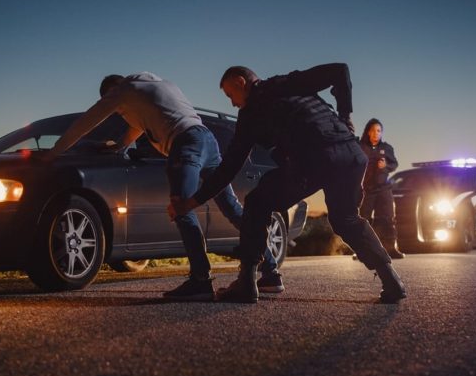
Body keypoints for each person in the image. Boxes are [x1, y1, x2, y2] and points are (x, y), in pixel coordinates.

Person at [169, 64, 407, 304]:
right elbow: (341, 72)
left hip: (316, 156)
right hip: (351, 154)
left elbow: (229, 168)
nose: (232, 103)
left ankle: (247, 281)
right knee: (346, 219)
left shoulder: (252, 110)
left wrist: (191, 202)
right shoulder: (290, 83)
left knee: (257, 202)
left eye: (230, 95)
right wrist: (345, 118)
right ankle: (391, 279)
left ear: (241, 82)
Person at [48, 72, 281, 300]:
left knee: (181, 208)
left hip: (185, 143)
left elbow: (85, 123)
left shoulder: (121, 91)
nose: (119, 112)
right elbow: (139, 125)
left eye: (116, 107)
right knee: (231, 208)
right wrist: (120, 146)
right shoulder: (155, 86)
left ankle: (200, 280)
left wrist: (54, 153)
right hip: (207, 140)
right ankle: (271, 273)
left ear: (111, 92)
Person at [358, 118, 405, 259]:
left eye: (379, 131)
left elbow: (394, 164)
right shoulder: (360, 147)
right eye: (373, 130)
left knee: (387, 219)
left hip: (384, 189)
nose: (376, 133)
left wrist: (386, 166)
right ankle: (362, 250)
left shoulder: (387, 148)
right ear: (368, 132)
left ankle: (391, 249)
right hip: (366, 190)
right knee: (363, 219)